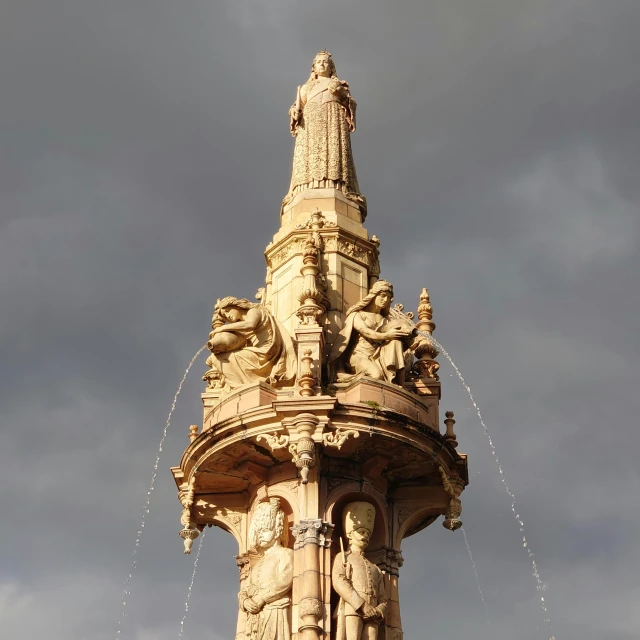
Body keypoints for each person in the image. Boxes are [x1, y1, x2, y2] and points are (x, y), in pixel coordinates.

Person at [282, 50, 366, 217]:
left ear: (331, 67)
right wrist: (294, 112)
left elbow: (350, 104)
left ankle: (336, 186)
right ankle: (307, 187)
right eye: (318, 61)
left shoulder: (338, 84)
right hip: (310, 127)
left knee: (333, 154)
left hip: (332, 123)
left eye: (325, 61)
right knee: (310, 156)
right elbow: (296, 109)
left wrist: (342, 95)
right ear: (314, 67)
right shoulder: (306, 88)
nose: (322, 64)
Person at [327, 281, 414, 385]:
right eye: (382, 295)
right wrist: (387, 335)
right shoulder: (358, 315)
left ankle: (398, 383)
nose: (385, 300)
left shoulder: (386, 320)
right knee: (376, 376)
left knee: (396, 342)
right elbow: (366, 331)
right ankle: (347, 377)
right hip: (360, 355)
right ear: (374, 295)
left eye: (388, 297)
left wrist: (408, 335)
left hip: (379, 356)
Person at [206, 297, 297, 390]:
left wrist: (222, 328)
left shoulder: (253, 311)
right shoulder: (241, 325)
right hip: (257, 350)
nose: (228, 316)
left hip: (266, 350)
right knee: (217, 358)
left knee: (230, 357)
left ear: (236, 306)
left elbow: (250, 324)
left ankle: (243, 386)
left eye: (228, 311)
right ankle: (239, 386)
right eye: (225, 316)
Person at [238, 498, 294, 640]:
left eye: (265, 530)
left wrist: (262, 598)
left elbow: (285, 580)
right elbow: (245, 588)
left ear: (277, 530)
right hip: (255, 617)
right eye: (259, 531)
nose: (260, 535)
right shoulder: (258, 563)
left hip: (275, 610)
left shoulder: (286, 554)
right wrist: (244, 600)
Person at [332, 502, 387, 640]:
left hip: (373, 613)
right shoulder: (343, 557)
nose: (365, 536)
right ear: (350, 534)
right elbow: (339, 582)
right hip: (353, 608)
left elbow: (383, 597)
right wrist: (362, 605)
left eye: (367, 533)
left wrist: (379, 610)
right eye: (361, 532)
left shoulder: (375, 568)